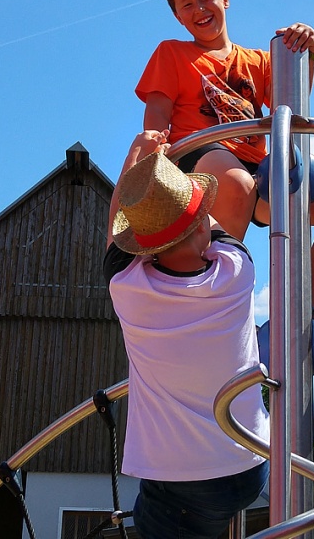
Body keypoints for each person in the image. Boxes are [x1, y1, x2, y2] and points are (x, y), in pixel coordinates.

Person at [131, 0, 314, 347]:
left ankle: (312, 310)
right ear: (178, 18)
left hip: (256, 168)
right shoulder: (173, 53)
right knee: (233, 180)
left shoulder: (258, 62)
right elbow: (158, 115)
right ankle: (214, 302)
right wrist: (152, 154)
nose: (198, 10)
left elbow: (291, 108)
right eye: (186, 5)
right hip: (200, 156)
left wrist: (305, 53)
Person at [104, 130, 269, 539]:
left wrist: (140, 159)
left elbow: (118, 227)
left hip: (176, 477)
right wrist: (152, 163)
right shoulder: (236, 271)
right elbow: (204, 221)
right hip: (249, 459)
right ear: (202, 230)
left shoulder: (128, 289)